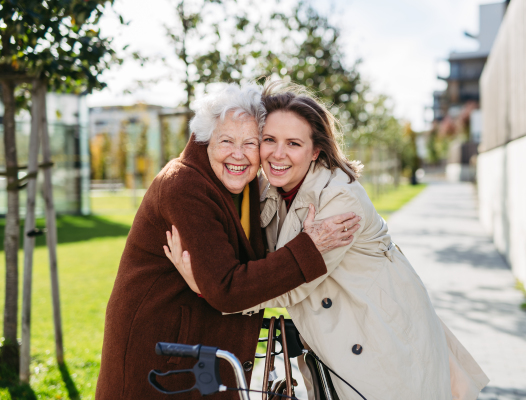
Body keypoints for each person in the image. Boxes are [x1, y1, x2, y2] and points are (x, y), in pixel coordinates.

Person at [166, 82, 490, 400]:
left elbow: (291, 284)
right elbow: (260, 262)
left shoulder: (339, 200)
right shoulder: (266, 190)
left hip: (383, 344)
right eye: (269, 140)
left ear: (315, 150)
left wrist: (209, 285)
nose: (278, 154)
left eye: (293, 143)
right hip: (336, 349)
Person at [95, 83, 361, 400]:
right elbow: (228, 288)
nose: (239, 154)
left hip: (199, 354)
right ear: (206, 140)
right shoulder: (184, 185)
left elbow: (247, 272)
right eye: (227, 141)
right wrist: (309, 246)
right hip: (163, 357)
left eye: (250, 143)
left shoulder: (243, 185)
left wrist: (209, 284)